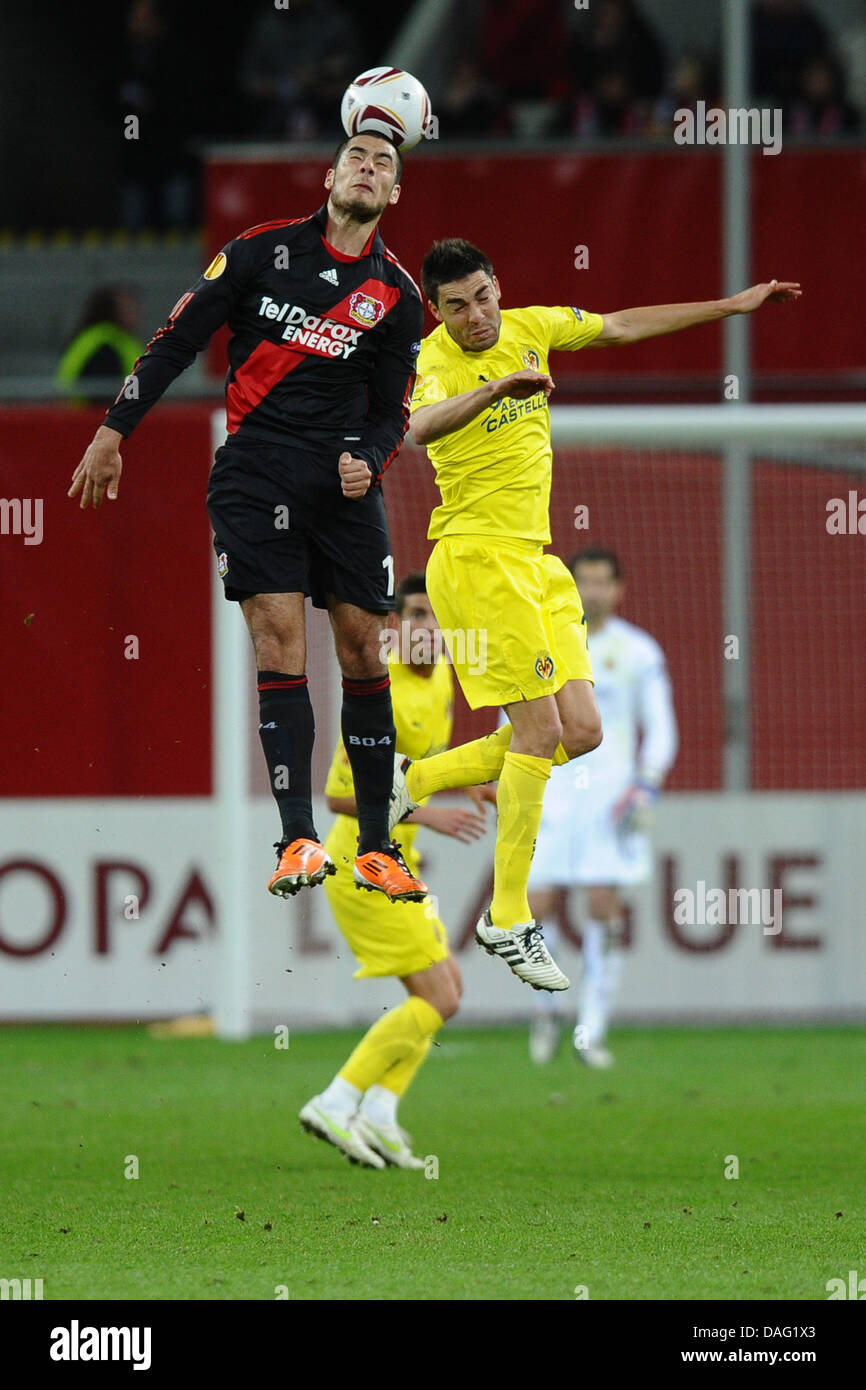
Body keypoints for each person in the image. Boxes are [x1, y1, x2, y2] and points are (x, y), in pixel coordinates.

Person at [390, 237, 799, 994]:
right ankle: (507, 917)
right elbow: (415, 429)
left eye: (483, 297)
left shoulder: (532, 324)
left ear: (497, 285)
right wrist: (497, 389)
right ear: (434, 310)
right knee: (539, 733)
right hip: (479, 558)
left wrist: (730, 306)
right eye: (457, 306)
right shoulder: (431, 363)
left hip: (537, 564)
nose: (477, 315)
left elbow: (620, 326)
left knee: (580, 731)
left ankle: (412, 780)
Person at [69, 134, 428, 904]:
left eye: (384, 163)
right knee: (279, 636)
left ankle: (375, 846)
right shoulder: (258, 254)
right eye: (358, 155)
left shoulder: (399, 297)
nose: (369, 167)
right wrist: (112, 431)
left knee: (366, 648)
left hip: (343, 484)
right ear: (331, 176)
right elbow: (175, 341)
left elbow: (395, 408)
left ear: (393, 194)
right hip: (256, 468)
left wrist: (370, 455)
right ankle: (298, 836)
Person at [301, 572, 491, 1169]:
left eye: (437, 616)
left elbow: (422, 765)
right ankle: (335, 1101)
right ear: (393, 627)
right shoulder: (376, 693)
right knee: (436, 996)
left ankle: (379, 1113)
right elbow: (335, 796)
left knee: (448, 993)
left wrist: (467, 784)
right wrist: (431, 816)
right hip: (362, 865)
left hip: (400, 864)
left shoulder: (443, 684)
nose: (428, 628)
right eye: (415, 615)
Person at [525, 548, 678, 1068]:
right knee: (536, 905)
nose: (592, 591)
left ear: (618, 589)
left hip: (609, 800)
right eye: (582, 581)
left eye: (602, 582)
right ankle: (547, 1012)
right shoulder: (542, 645)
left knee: (601, 905)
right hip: (550, 795)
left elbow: (660, 728)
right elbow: (514, 718)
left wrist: (647, 784)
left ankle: (592, 1028)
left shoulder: (639, 652)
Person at [57, 286, 145, 405]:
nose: (135, 313)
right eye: (128, 308)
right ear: (113, 311)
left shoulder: (119, 340)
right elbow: (103, 392)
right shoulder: (105, 344)